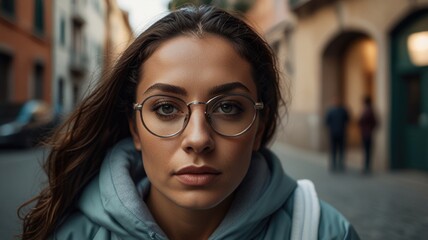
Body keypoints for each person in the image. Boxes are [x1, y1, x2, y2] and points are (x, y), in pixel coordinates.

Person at [19, 6, 359, 240]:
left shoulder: (324, 232)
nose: (198, 139)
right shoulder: (72, 235)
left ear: (258, 126)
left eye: (228, 107)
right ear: (135, 128)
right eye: (166, 108)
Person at [325, 96, 350, 172]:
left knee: (341, 149)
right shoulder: (331, 111)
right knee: (333, 149)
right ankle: (334, 164)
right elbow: (327, 121)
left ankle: (341, 164)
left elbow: (347, 119)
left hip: (341, 133)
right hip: (333, 133)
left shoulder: (343, 110)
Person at [358, 96, 378, 174]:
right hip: (365, 133)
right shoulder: (367, 110)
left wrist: (370, 129)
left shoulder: (369, 111)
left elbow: (374, 122)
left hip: (367, 133)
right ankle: (366, 166)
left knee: (367, 150)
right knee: (366, 150)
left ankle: (367, 167)